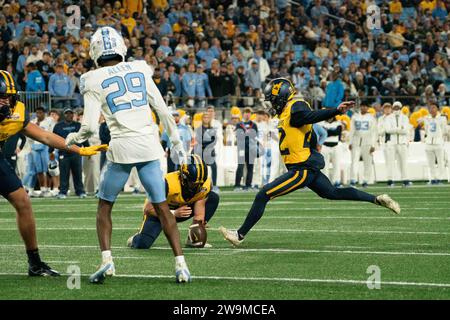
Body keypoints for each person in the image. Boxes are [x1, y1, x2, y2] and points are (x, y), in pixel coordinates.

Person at [64, 27, 191, 284]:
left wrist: (72, 140)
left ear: (95, 50)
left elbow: (88, 127)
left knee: (104, 206)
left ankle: (107, 261)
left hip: (121, 149)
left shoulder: (91, 78)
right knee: (162, 207)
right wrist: (178, 145)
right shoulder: (141, 68)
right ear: (121, 47)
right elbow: (164, 112)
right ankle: (181, 265)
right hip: (148, 146)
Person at [219, 78, 400, 246]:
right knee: (332, 192)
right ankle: (377, 199)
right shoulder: (288, 113)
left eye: (273, 99)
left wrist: (335, 111)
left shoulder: (295, 106)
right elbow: (311, 133)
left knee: (263, 195)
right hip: (306, 166)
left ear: (281, 96)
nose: (272, 103)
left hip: (301, 169)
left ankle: (239, 235)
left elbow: (310, 117)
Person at [0, 69, 106, 277]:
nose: (6, 103)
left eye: (8, 98)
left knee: (23, 202)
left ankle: (35, 262)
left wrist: (79, 149)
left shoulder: (16, 113)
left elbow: (45, 137)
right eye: (1, 98)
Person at [128, 155, 219, 249]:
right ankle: (136, 238)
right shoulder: (167, 183)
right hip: (160, 213)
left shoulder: (204, 184)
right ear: (183, 177)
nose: (197, 187)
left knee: (213, 198)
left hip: (183, 210)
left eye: (200, 183)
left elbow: (199, 213)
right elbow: (148, 209)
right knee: (142, 244)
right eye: (193, 183)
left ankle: (191, 239)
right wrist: (174, 213)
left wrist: (197, 230)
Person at [52, 108, 87, 199]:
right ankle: (63, 192)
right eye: (67, 113)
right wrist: (50, 151)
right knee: (64, 173)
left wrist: (87, 148)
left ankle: (80, 191)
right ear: (64, 115)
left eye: (70, 113)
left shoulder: (78, 125)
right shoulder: (58, 126)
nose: (69, 115)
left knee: (78, 173)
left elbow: (83, 137)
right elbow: (53, 138)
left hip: (76, 152)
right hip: (63, 152)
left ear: (73, 115)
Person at [349, 103, 378, 187]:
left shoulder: (371, 118)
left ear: (368, 107)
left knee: (367, 162)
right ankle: (353, 180)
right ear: (360, 107)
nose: (363, 107)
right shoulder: (355, 116)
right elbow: (352, 130)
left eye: (365, 106)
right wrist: (350, 142)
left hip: (367, 141)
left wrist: (373, 145)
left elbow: (374, 132)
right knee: (354, 161)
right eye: (362, 106)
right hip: (356, 141)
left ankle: (365, 180)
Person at [383, 101, 412, 187]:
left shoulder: (405, 118)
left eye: (398, 107)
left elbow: (406, 131)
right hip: (392, 143)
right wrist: (399, 129)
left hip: (402, 143)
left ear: (400, 108)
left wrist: (395, 129)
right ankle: (390, 180)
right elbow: (387, 130)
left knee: (403, 162)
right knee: (390, 162)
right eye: (395, 107)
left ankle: (405, 179)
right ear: (393, 108)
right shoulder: (388, 118)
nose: (396, 109)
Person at [421, 104, 448, 184]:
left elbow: (444, 130)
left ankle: (439, 179)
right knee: (430, 163)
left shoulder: (442, 118)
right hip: (429, 143)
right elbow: (426, 130)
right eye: (430, 107)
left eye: (433, 107)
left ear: (437, 109)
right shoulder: (426, 118)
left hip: (438, 143)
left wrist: (439, 138)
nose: (432, 109)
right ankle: (432, 179)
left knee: (440, 162)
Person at [234, 107, 259, 191]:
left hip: (251, 149)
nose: (247, 114)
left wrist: (246, 135)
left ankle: (248, 185)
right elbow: (239, 136)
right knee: (240, 166)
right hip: (241, 148)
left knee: (250, 167)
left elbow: (255, 136)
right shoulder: (239, 124)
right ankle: (237, 185)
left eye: (249, 113)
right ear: (243, 114)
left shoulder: (254, 124)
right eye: (246, 112)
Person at [194, 112, 217, 189]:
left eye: (207, 117)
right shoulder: (198, 129)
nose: (206, 119)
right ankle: (201, 185)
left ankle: (214, 185)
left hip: (210, 152)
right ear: (202, 119)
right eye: (204, 117)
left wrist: (207, 142)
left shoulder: (212, 129)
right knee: (202, 169)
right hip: (201, 152)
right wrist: (208, 142)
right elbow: (200, 140)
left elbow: (214, 141)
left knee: (214, 167)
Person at [321, 117, 343, 186]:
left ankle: (336, 181)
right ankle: (325, 182)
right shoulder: (322, 123)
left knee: (336, 164)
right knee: (325, 165)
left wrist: (327, 131)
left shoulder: (338, 123)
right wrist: (332, 132)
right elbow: (322, 132)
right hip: (325, 146)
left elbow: (337, 132)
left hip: (335, 146)